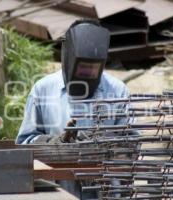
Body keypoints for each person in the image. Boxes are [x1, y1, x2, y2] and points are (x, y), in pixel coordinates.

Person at [16, 19, 134, 199]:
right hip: (61, 192)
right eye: (82, 67)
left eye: (92, 68)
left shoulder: (117, 91)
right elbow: (24, 143)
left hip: (106, 193)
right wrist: (56, 143)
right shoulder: (43, 89)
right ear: (68, 57)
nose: (87, 74)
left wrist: (103, 144)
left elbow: (132, 145)